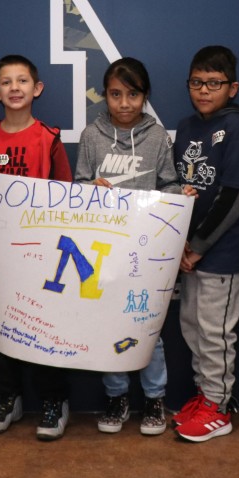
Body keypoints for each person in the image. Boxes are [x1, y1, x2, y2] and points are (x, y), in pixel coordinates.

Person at [0, 54, 74, 441]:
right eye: (6, 82)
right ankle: (8, 397)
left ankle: (55, 401)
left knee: (46, 328)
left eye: (23, 81)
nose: (15, 88)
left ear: (37, 89)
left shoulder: (48, 138)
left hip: (42, 255)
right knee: (2, 327)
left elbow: (66, 196)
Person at [73, 58, 182, 436]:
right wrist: (92, 190)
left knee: (147, 325)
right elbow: (79, 185)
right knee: (108, 326)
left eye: (132, 94)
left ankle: (154, 398)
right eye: (116, 94)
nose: (124, 103)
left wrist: (175, 195)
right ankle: (116, 396)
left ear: (144, 96)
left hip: (145, 252)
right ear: (105, 96)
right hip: (104, 251)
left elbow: (169, 183)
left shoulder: (156, 137)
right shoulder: (91, 136)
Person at [171, 46, 239, 443]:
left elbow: (236, 195)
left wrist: (201, 245)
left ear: (232, 87)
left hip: (221, 254)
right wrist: (182, 245)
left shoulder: (238, 129)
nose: (203, 90)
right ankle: (205, 395)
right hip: (190, 251)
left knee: (215, 331)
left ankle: (218, 407)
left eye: (213, 83)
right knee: (191, 327)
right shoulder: (187, 126)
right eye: (196, 82)